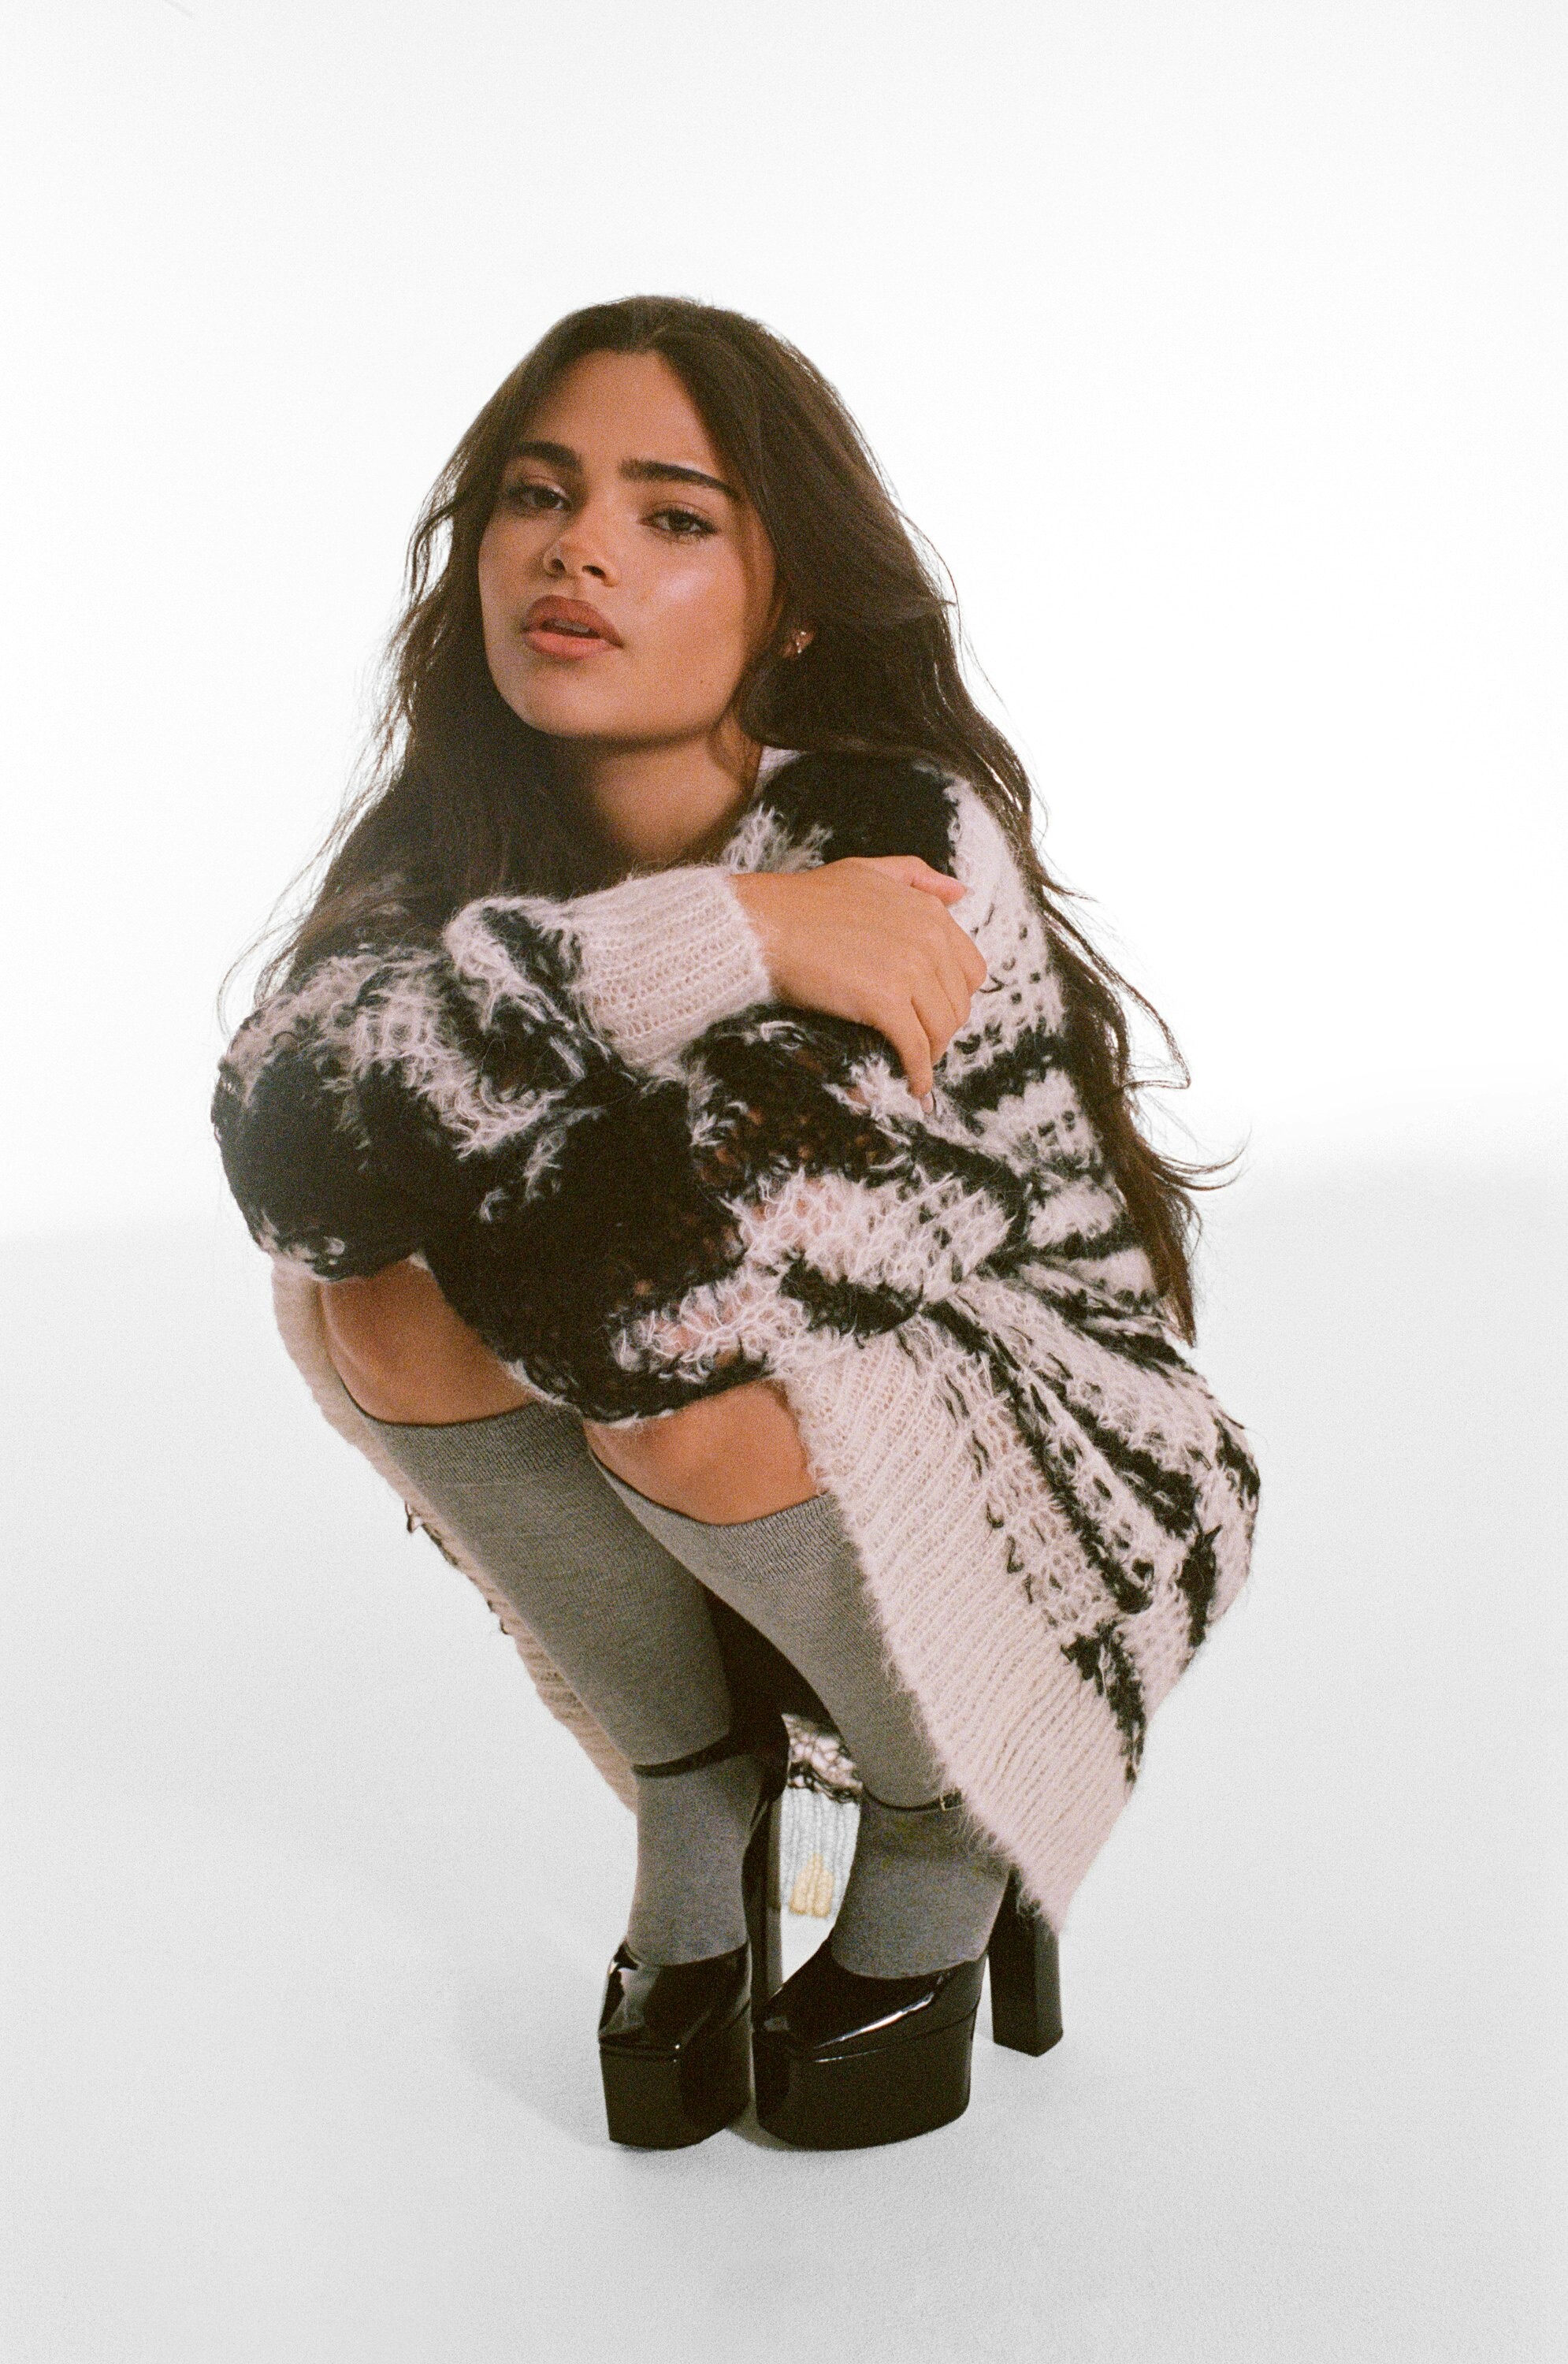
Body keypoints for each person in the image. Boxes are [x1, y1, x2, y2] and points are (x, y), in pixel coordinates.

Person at [211, 295, 1261, 2153]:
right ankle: (697, 1784)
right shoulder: (452, 848)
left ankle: (945, 1805)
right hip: (742, 1424)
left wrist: (483, 1058)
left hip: (1054, 1469)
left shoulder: (891, 837)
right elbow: (292, 1161)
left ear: (786, 608)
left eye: (671, 515)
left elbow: (643, 1303)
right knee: (369, 1297)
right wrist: (720, 938)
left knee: (668, 1382)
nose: (579, 551)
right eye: (537, 495)